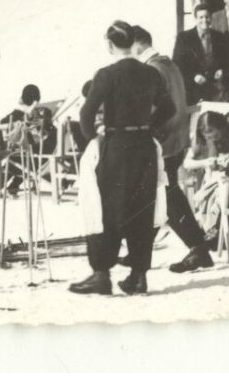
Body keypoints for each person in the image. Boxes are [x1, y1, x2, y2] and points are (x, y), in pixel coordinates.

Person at [70, 22, 175, 297]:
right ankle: (138, 277)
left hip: (116, 147)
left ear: (110, 44)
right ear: (132, 42)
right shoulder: (150, 73)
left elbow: (85, 114)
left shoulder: (106, 74)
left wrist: (94, 138)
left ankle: (101, 274)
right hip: (144, 147)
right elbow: (169, 108)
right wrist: (150, 127)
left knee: (108, 209)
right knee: (142, 209)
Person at [130, 25, 213, 273]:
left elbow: (154, 109)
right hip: (176, 139)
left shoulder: (151, 68)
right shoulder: (168, 64)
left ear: (137, 45)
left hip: (163, 141)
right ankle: (140, 250)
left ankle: (198, 249)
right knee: (160, 195)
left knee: (167, 196)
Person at [174, 2, 229, 110]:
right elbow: (177, 63)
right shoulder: (184, 38)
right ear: (195, 19)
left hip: (215, 86)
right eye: (201, 17)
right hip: (193, 87)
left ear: (211, 18)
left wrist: (222, 70)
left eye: (207, 17)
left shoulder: (219, 37)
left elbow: (228, 61)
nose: (204, 20)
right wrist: (193, 76)